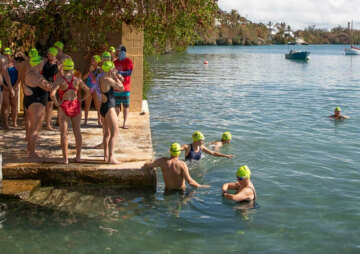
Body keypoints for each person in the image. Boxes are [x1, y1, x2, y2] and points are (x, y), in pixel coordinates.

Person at [50, 59, 90, 164]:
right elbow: (88, 90)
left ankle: (65, 159)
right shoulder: (77, 79)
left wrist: (56, 103)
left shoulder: (59, 80)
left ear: (64, 68)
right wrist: (82, 99)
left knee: (64, 134)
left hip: (64, 105)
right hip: (75, 104)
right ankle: (78, 156)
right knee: (77, 131)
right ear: (72, 68)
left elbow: (52, 94)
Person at [143, 143, 210, 190]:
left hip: (167, 190)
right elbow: (190, 182)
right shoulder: (182, 164)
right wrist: (200, 186)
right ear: (179, 152)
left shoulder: (162, 161)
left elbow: (147, 165)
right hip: (181, 191)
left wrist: (151, 161)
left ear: (170, 151)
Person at [24, 55, 53, 158]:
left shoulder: (29, 72)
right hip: (36, 104)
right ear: (37, 64)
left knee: (32, 128)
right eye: (41, 63)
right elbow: (49, 87)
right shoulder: (36, 76)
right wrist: (58, 80)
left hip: (31, 102)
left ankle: (30, 149)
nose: (42, 65)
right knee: (35, 128)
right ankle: (32, 152)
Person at [99, 61, 124, 164]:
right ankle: (111, 158)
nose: (114, 71)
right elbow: (122, 87)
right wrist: (115, 76)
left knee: (106, 134)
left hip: (103, 107)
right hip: (109, 108)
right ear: (109, 70)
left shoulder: (101, 78)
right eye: (113, 69)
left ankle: (106, 156)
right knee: (115, 133)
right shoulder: (108, 79)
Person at [114, 45, 133, 129]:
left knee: (126, 106)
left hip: (125, 88)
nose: (116, 52)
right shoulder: (115, 62)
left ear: (122, 52)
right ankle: (115, 121)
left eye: (118, 51)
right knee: (116, 106)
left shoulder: (128, 61)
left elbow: (129, 73)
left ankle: (125, 122)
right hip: (116, 88)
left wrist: (119, 72)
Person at [42, 47, 60, 130]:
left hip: (52, 85)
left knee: (50, 105)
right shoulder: (44, 61)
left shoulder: (58, 63)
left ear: (54, 55)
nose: (47, 55)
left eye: (49, 53)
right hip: (43, 85)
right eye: (47, 53)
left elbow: (61, 75)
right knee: (42, 105)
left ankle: (48, 124)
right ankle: (40, 123)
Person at [1, 48, 20, 128]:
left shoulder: (15, 64)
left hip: (14, 86)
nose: (7, 57)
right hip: (4, 87)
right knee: (5, 105)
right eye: (5, 55)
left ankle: (14, 122)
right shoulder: (2, 64)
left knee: (14, 104)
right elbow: (1, 76)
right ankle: (6, 122)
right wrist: (4, 86)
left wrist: (14, 86)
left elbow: (20, 76)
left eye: (8, 55)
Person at [83, 55, 102, 126]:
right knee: (87, 105)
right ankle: (85, 120)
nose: (91, 60)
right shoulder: (88, 67)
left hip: (96, 89)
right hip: (88, 88)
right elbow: (83, 77)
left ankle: (99, 120)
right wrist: (89, 72)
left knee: (98, 106)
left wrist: (92, 72)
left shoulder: (99, 69)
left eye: (93, 60)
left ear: (97, 61)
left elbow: (95, 79)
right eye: (91, 59)